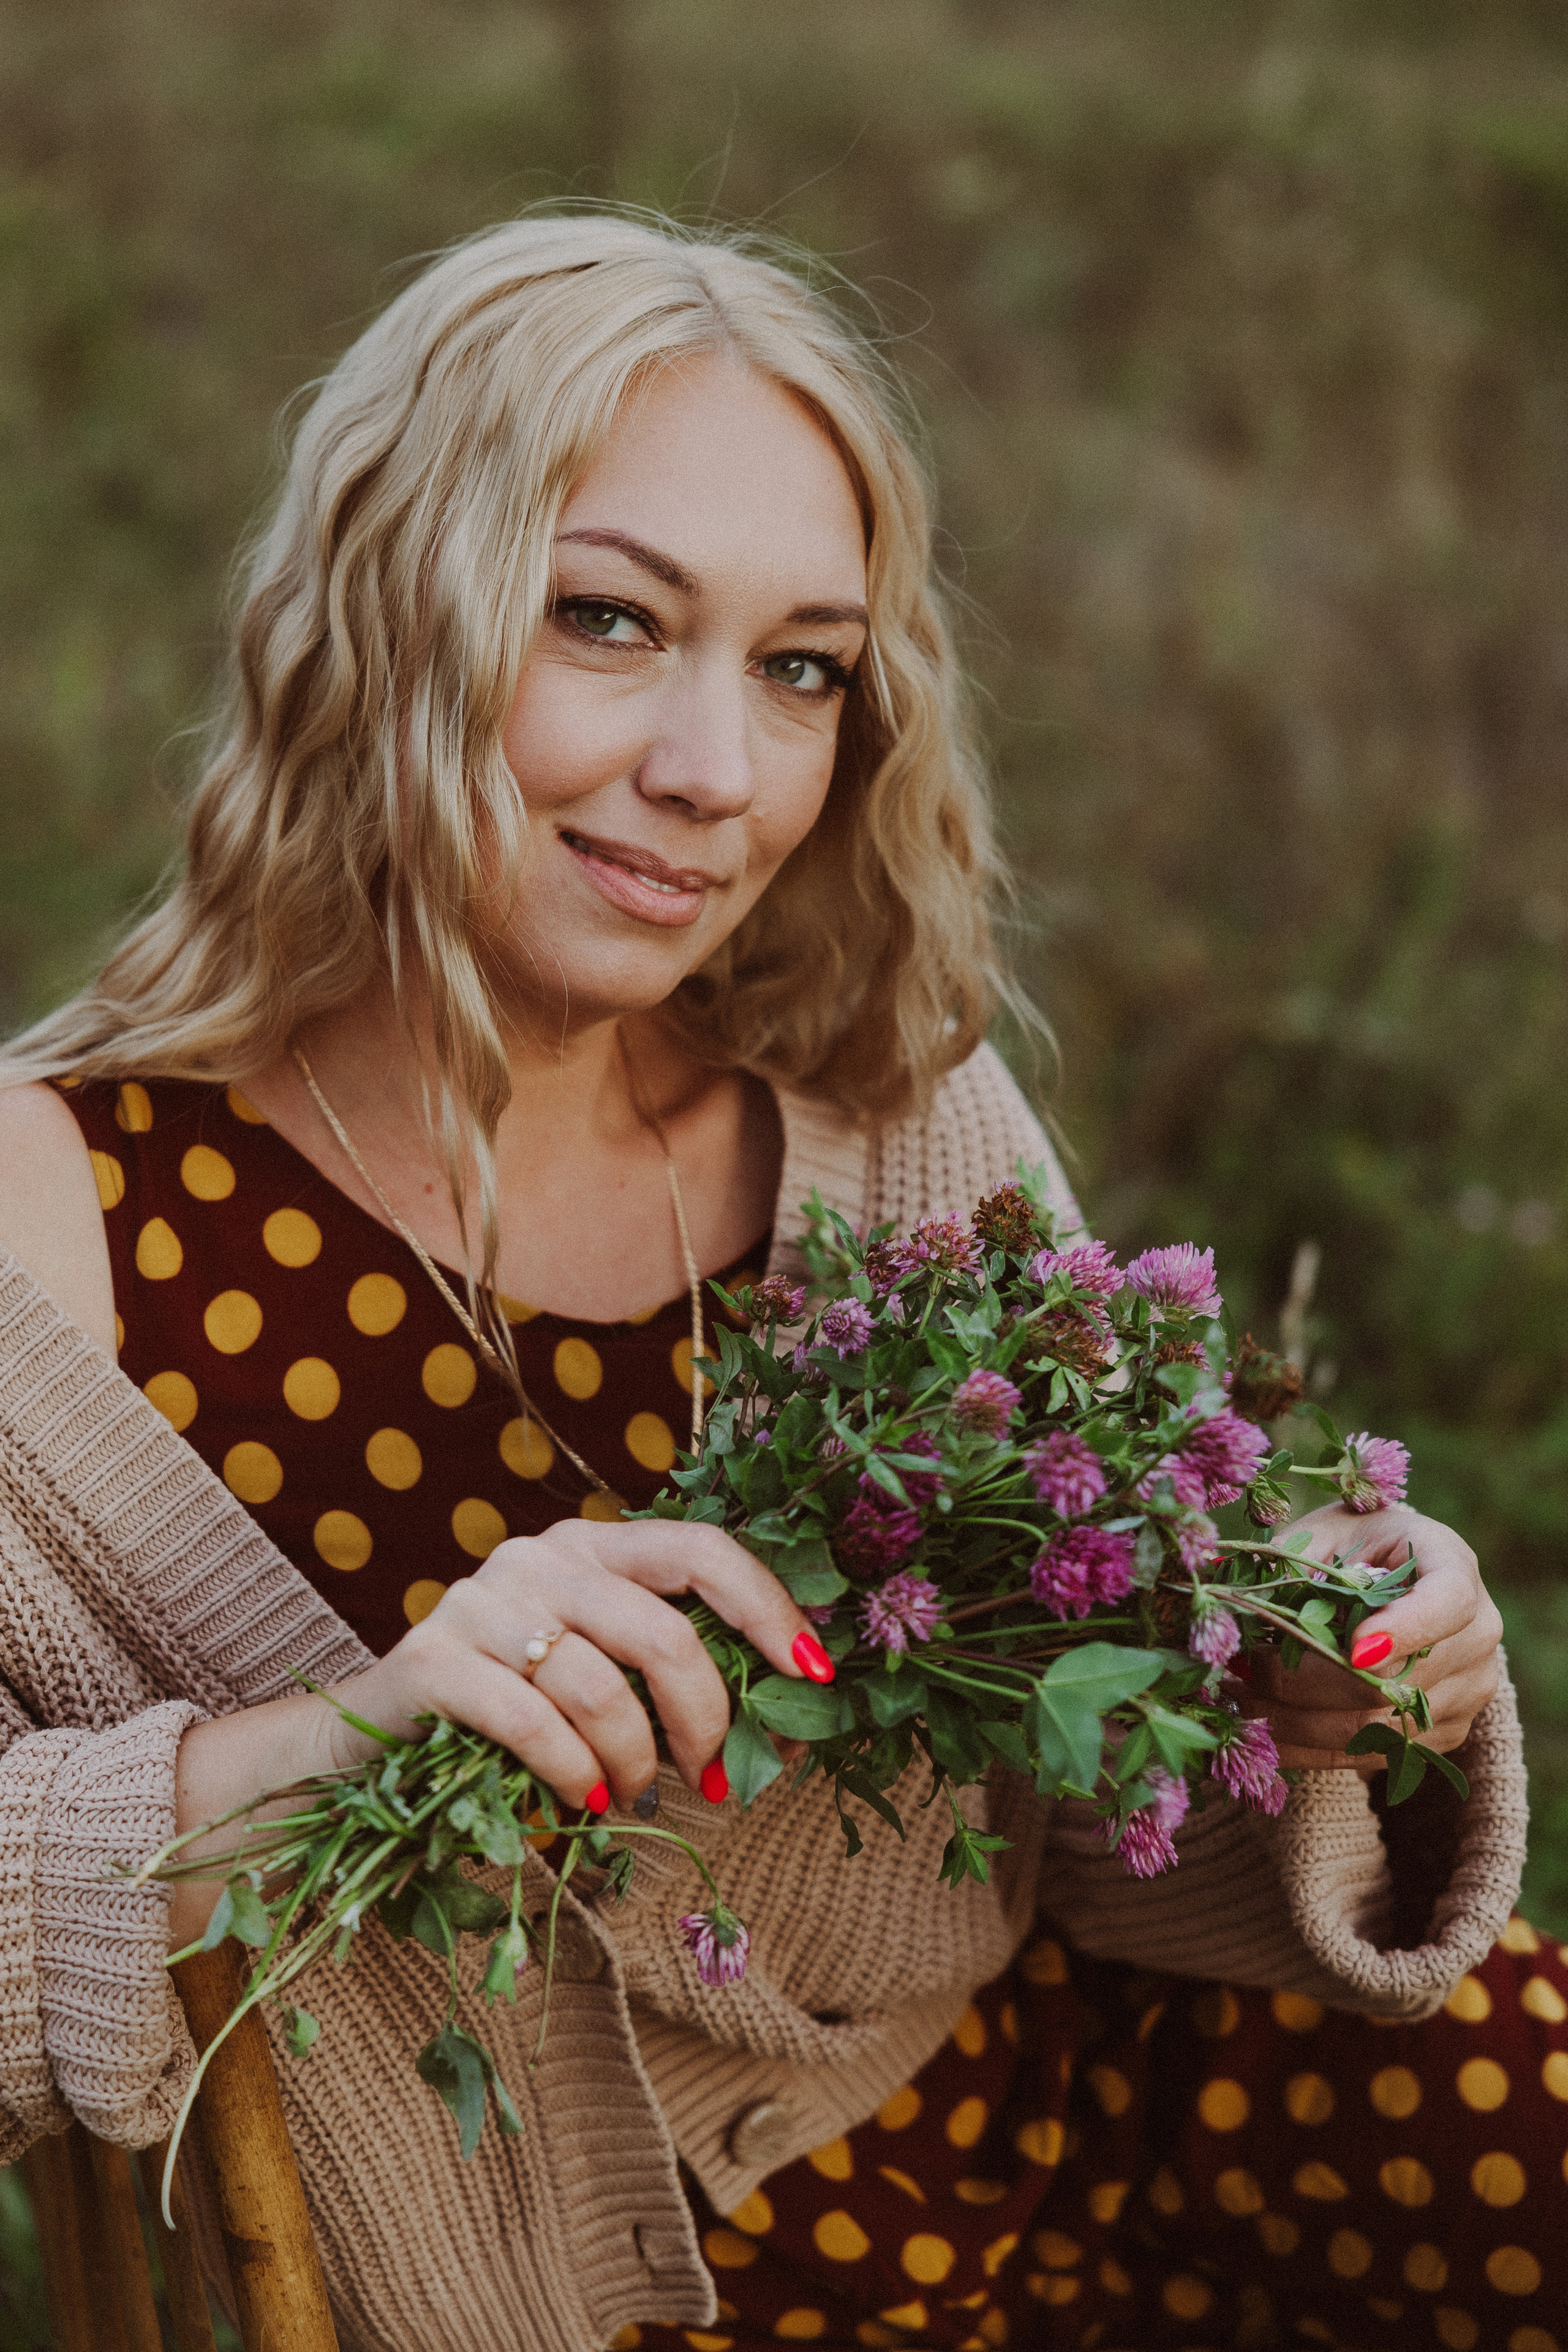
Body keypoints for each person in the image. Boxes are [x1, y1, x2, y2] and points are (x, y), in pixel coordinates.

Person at [0, 214, 1556, 2352]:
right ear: (379, 614)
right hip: (590, 2291)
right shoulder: (55, 1224)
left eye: (802, 667)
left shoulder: (885, 1114)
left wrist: (1316, 1698)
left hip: (1101, 2105)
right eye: (611, 622)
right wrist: (316, 1744)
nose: (719, 776)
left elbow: (1085, 1839)